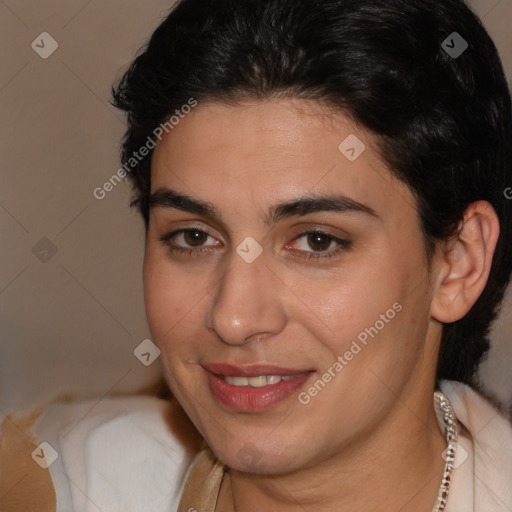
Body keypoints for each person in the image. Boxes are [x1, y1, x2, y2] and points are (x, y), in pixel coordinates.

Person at [1, 0, 511, 510]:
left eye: (316, 241)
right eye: (195, 237)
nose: (234, 317)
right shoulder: (51, 484)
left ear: (457, 264)